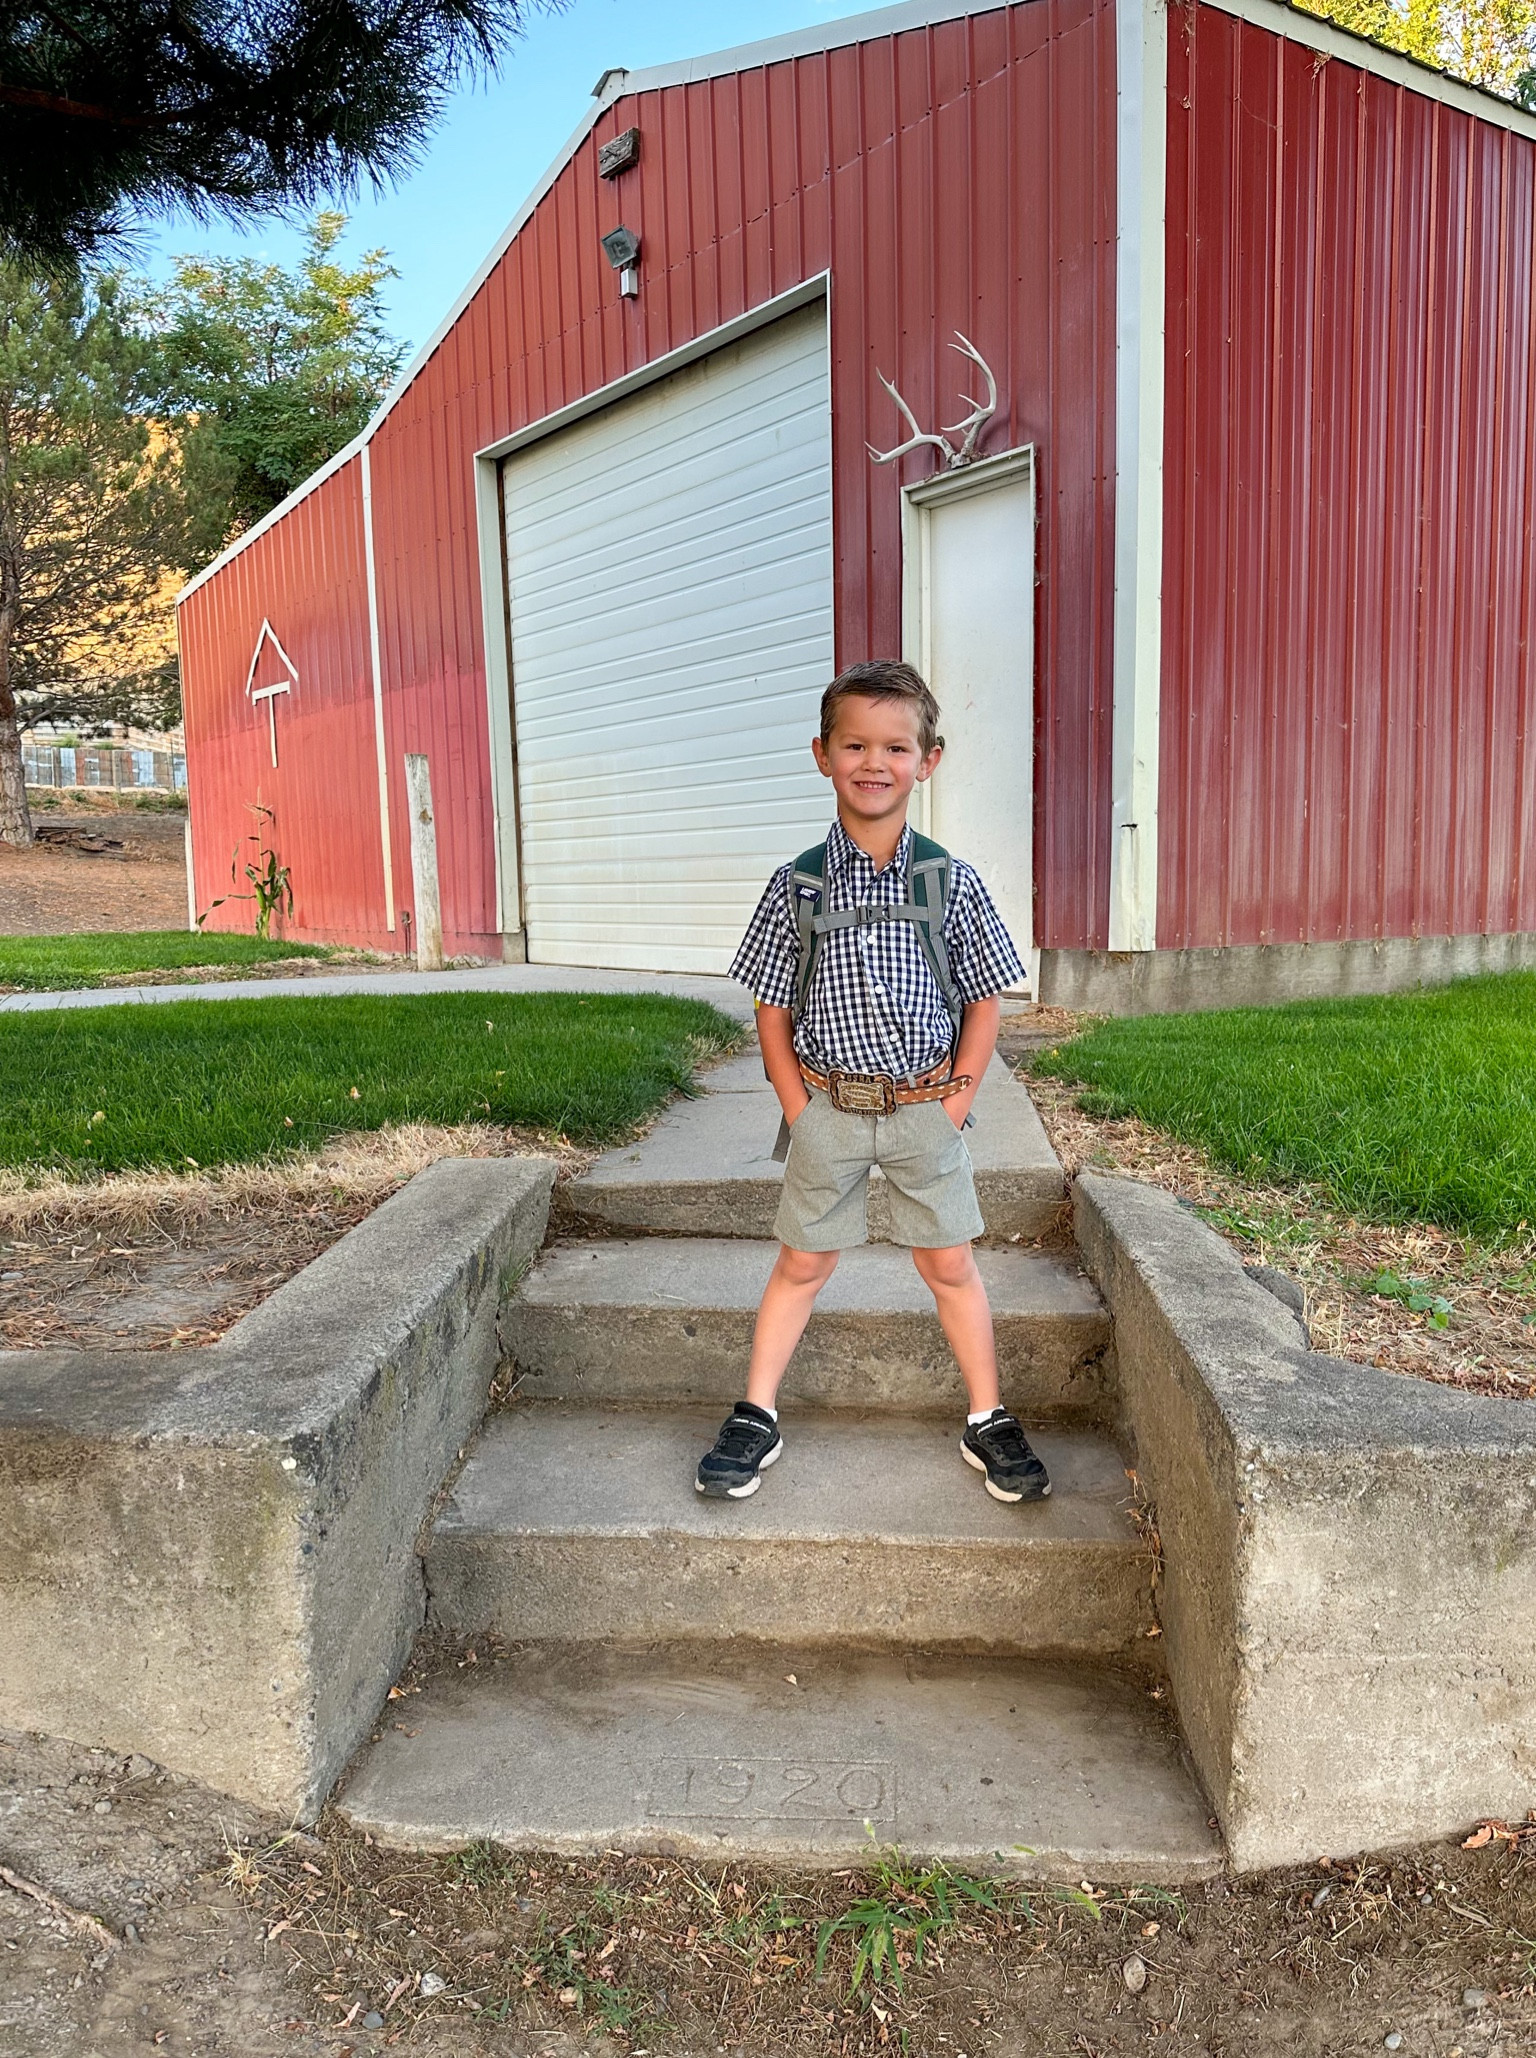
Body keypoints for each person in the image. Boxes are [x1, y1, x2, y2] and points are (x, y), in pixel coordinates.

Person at [695, 658, 1051, 1507]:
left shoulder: (950, 883)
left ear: (928, 759)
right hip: (830, 1110)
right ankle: (756, 1413)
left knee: (951, 1264)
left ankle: (987, 1416)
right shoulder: (797, 887)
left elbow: (983, 998)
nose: (874, 761)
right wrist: (798, 1110)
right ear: (822, 754)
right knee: (803, 1260)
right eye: (854, 743)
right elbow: (772, 1009)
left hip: (929, 1110)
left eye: (896, 745)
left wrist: (959, 1098)